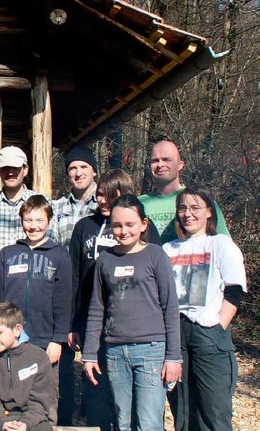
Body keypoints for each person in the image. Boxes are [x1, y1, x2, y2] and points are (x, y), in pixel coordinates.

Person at [68, 169, 160, 430]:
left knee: (132, 401)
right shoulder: (84, 226)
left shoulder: (141, 229)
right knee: (96, 391)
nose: (103, 200)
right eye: (99, 195)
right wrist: (74, 323)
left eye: (110, 195)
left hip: (131, 326)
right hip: (92, 319)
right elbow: (75, 277)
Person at [82, 195, 182, 431]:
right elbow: (97, 308)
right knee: (122, 421)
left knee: (148, 423)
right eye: (117, 225)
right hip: (115, 351)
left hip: (151, 350)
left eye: (130, 224)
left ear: (143, 224)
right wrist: (89, 354)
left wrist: (173, 357)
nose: (123, 231)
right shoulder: (105, 259)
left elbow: (170, 307)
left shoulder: (156, 256)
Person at [163, 185, 246, 431]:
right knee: (182, 410)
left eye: (195, 208)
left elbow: (235, 290)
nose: (188, 214)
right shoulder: (169, 249)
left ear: (209, 212)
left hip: (208, 334)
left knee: (214, 411)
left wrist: (218, 324)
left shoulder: (220, 244)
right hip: (176, 334)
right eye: (182, 208)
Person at [0, 194, 71, 424]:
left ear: (50, 222)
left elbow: (64, 301)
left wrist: (58, 339)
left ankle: (46, 425)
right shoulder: (8, 254)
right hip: (10, 339)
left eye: (39, 220)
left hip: (45, 339)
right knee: (10, 391)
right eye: (28, 220)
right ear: (21, 221)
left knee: (45, 394)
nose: (33, 226)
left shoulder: (59, 255)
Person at [48, 145, 98, 425]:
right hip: (65, 291)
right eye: (72, 169)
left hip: (95, 293)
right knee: (64, 360)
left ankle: (94, 417)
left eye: (83, 167)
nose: (78, 173)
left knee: (96, 358)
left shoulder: (104, 204)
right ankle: (65, 419)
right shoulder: (57, 207)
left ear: (94, 171)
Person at [0, 303, 55, 431]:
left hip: (30, 419)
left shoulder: (39, 358)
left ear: (17, 330)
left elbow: (39, 403)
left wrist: (25, 424)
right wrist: (3, 423)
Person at [139, 137, 229, 243]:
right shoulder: (139, 203)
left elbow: (224, 245)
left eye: (166, 159)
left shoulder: (201, 201)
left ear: (180, 165)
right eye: (155, 160)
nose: (160, 165)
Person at [0, 146, 38, 257]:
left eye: (15, 168)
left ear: (25, 170)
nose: (10, 172)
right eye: (5, 168)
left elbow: (51, 244)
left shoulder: (40, 202)